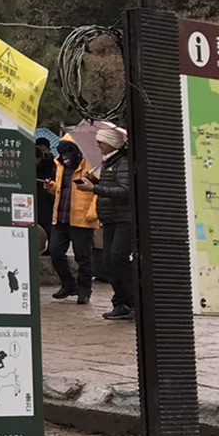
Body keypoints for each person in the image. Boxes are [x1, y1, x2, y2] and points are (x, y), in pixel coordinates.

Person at [44, 137, 99, 304]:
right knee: (55, 252)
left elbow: (98, 192)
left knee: (83, 257)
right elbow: (62, 190)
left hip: (82, 220)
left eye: (68, 151)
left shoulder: (91, 167)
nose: (65, 156)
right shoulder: (59, 166)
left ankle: (84, 290)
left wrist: (92, 214)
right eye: (61, 152)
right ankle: (68, 284)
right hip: (60, 218)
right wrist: (51, 187)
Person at [93, 124, 136, 322]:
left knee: (118, 259)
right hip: (109, 219)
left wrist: (95, 189)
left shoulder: (122, 162)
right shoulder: (107, 162)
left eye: (101, 141)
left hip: (123, 219)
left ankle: (135, 303)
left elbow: (125, 191)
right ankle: (120, 302)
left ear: (111, 142)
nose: (98, 145)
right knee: (108, 262)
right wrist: (94, 183)